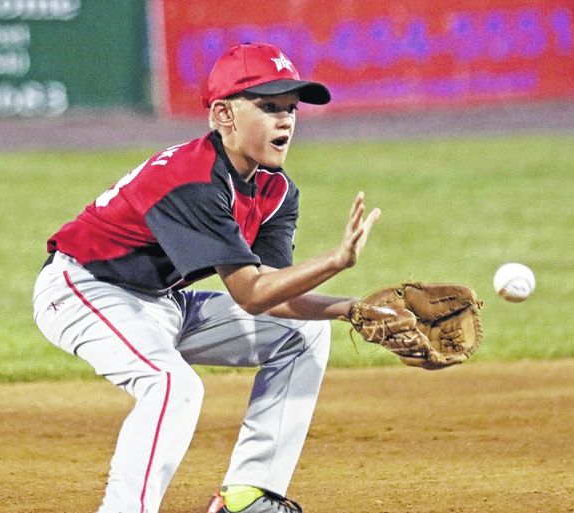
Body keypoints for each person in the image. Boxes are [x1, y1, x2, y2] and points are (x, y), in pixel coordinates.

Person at [32, 42, 381, 513]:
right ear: (224, 114)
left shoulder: (275, 190)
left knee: (303, 334)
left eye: (291, 109)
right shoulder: (190, 178)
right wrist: (336, 261)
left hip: (161, 302)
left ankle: (248, 496)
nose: (286, 120)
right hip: (83, 289)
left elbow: (274, 293)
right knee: (171, 384)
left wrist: (353, 310)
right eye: (269, 106)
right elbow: (251, 294)